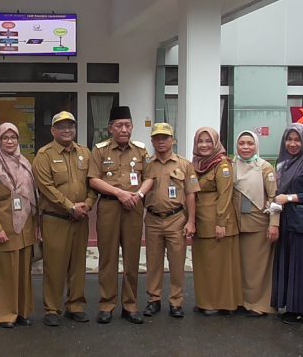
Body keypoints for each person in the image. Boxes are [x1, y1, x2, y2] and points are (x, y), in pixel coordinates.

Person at [32, 111, 96, 327]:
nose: (67, 130)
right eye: (61, 126)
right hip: (55, 218)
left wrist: (88, 203)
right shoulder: (44, 155)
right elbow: (46, 188)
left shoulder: (85, 153)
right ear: (53, 130)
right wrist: (70, 206)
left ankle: (75, 305)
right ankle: (52, 308)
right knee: (55, 265)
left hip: (81, 218)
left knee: (78, 264)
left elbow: (93, 182)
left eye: (70, 126)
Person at [88, 106, 149, 324]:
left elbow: (149, 177)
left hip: (133, 207)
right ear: (110, 128)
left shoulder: (141, 150)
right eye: (119, 125)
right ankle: (107, 304)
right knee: (108, 257)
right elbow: (93, 179)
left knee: (132, 258)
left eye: (127, 125)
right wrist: (119, 193)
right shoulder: (100, 150)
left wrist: (138, 194)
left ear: (132, 127)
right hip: (109, 207)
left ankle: (130, 306)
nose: (124, 129)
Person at [0, 123, 37, 328]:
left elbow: (33, 197)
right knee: (6, 273)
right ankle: (5, 314)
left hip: (25, 227)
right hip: (4, 227)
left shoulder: (25, 163)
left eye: (13, 137)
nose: (10, 141)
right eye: (5, 138)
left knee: (23, 272)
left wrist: (36, 227)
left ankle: (22, 311)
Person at [141, 123, 198, 319]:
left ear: (173, 140)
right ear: (152, 141)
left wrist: (191, 221)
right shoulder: (147, 164)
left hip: (176, 219)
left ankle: (176, 301)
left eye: (165, 137)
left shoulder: (184, 164)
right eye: (157, 138)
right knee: (153, 263)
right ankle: (153, 299)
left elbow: (191, 194)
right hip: (153, 219)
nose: (161, 141)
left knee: (176, 263)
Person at [271, 123, 303, 325]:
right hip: (287, 222)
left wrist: (290, 198)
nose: (292, 144)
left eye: (297, 140)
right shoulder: (283, 163)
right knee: (289, 264)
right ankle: (291, 307)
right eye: (289, 139)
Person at [191, 127, 242, 316]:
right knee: (205, 264)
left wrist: (221, 222)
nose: (204, 145)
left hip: (217, 223)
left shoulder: (222, 165)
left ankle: (220, 303)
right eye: (200, 141)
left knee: (218, 266)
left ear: (216, 143)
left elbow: (225, 196)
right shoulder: (197, 163)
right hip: (201, 221)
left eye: (208, 141)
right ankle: (206, 301)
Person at [233, 130, 280, 317]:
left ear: (256, 146)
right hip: (237, 224)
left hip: (258, 225)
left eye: (250, 143)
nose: (245, 147)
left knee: (257, 268)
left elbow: (274, 197)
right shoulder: (231, 165)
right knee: (241, 267)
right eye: (242, 143)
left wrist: (274, 224)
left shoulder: (265, 167)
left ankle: (259, 305)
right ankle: (242, 301)